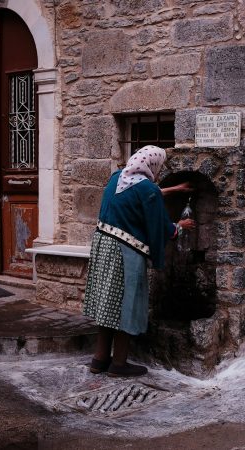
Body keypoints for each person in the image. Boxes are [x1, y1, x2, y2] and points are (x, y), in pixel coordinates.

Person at [83, 145, 195, 377]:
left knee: (108, 304)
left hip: (103, 248)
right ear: (152, 165)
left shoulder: (118, 177)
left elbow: (140, 194)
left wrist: (172, 189)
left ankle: (99, 360)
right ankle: (119, 364)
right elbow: (159, 225)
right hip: (125, 252)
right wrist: (178, 228)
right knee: (127, 304)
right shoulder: (146, 190)